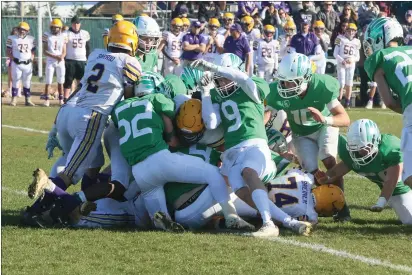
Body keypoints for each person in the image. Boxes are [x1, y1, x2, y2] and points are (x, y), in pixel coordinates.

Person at [111, 70, 254, 232]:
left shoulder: (121, 108)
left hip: (139, 170)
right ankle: (231, 217)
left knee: (156, 206)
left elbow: (119, 124)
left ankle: (161, 221)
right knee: (213, 173)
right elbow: (169, 112)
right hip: (159, 158)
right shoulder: (157, 98)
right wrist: (171, 135)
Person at [27, 21, 142, 219]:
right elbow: (129, 98)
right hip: (91, 117)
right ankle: (38, 211)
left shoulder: (96, 54)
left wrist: (56, 123)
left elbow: (81, 87)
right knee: (68, 174)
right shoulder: (129, 61)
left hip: (70, 111)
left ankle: (89, 203)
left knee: (94, 164)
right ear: (131, 42)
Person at [191, 53, 313, 237]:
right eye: (219, 79)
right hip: (232, 152)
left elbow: (244, 80)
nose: (223, 83)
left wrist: (215, 68)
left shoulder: (251, 85)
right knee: (241, 191)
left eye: (225, 77)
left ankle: (268, 223)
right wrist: (206, 92)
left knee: (249, 172)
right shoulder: (217, 94)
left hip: (254, 144)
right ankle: (289, 222)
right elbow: (212, 122)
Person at [265, 52, 352, 222]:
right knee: (311, 169)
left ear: (305, 78)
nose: (285, 85)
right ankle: (328, 200)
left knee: (327, 157)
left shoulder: (322, 85)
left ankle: (342, 206)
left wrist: (325, 119)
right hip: (301, 133)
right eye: (283, 81)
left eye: (290, 81)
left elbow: (345, 119)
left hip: (324, 126)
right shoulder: (278, 91)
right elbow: (267, 115)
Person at [316, 119, 412, 225]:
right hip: (398, 190)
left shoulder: (390, 149)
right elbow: (338, 171)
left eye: (365, 147)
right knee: (409, 221)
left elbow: (391, 181)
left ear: (375, 140)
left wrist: (381, 202)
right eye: (355, 149)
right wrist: (326, 178)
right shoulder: (352, 153)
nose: (361, 152)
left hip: (404, 181)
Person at [363, 17, 412, 188]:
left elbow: (389, 102)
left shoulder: (380, 58)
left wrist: (405, 107)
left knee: (409, 175)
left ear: (380, 38)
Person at [7, 21, 36, 106]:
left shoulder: (31, 39)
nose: (22, 31)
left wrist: (31, 60)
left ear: (27, 31)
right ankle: (14, 99)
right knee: (15, 81)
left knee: (27, 82)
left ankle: (28, 100)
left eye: (24, 30)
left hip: (27, 64)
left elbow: (33, 52)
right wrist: (13, 59)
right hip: (16, 63)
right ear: (18, 29)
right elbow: (8, 51)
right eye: (20, 29)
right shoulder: (11, 38)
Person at [63, 16, 90, 103]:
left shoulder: (85, 33)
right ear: (72, 24)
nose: (76, 25)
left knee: (81, 80)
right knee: (68, 79)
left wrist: (88, 58)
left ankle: (80, 97)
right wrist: (64, 58)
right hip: (70, 60)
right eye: (74, 23)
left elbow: (88, 47)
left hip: (82, 60)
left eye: (78, 23)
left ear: (80, 24)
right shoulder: (66, 33)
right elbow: (63, 47)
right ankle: (66, 98)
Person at [333, 23, 361, 107]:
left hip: (351, 64)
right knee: (341, 83)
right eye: (349, 30)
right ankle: (339, 101)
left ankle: (347, 102)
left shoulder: (357, 41)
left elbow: (358, 57)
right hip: (341, 63)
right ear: (346, 30)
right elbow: (335, 53)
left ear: (355, 31)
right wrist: (342, 60)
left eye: (353, 30)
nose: (351, 32)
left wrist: (352, 59)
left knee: (349, 83)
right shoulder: (339, 38)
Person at [42, 19, 67, 107]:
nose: (54, 29)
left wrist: (62, 56)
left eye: (56, 28)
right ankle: (46, 99)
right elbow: (44, 51)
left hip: (60, 61)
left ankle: (61, 99)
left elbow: (64, 50)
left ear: (60, 28)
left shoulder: (63, 36)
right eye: (53, 27)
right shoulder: (46, 35)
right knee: (48, 81)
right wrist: (56, 56)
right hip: (50, 60)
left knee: (61, 81)